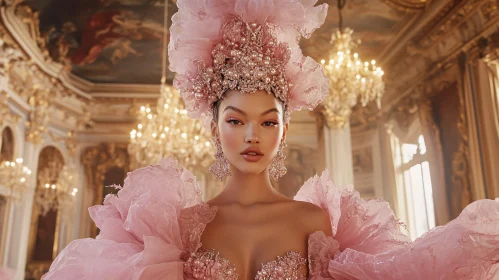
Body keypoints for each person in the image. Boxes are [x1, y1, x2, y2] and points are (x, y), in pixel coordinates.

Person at [42, 0, 499, 279]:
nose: (252, 136)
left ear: (284, 128)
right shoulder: (178, 227)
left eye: (267, 122)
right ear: (214, 126)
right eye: (237, 121)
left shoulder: (312, 221)